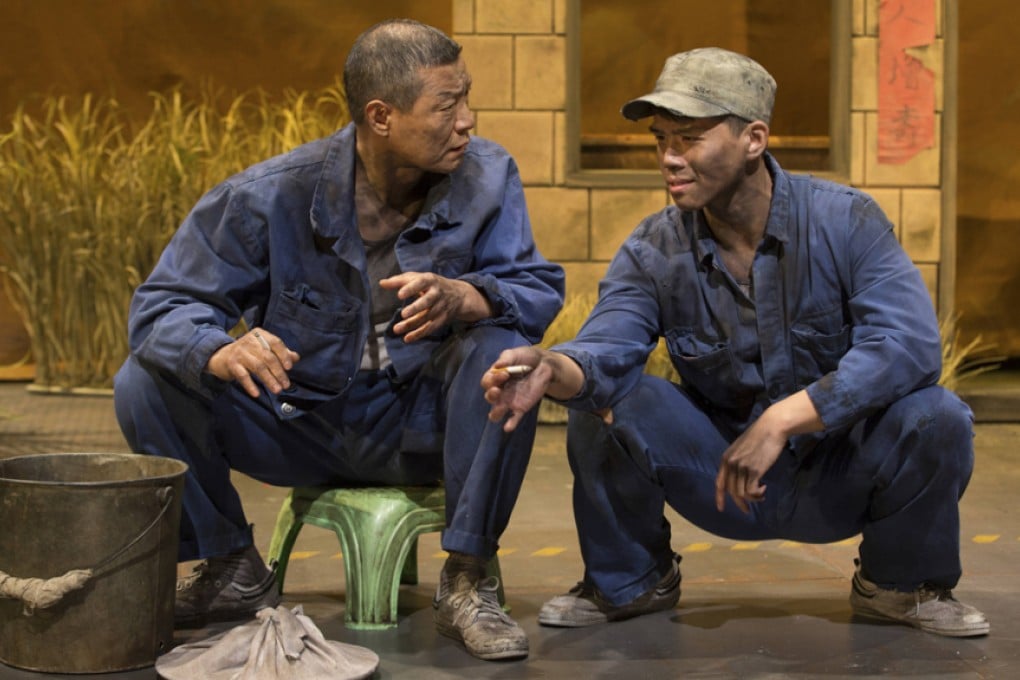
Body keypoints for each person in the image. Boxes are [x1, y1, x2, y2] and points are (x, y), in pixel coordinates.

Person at [481, 47, 989, 638]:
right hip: (723, 477)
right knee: (607, 401)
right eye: (661, 138)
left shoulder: (845, 222)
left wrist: (784, 418)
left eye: (690, 137)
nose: (670, 157)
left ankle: (901, 585)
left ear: (754, 138)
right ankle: (629, 580)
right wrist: (552, 366)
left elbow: (908, 344)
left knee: (938, 415)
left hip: (839, 470)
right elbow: (607, 346)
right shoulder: (654, 250)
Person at [113, 18, 564, 662]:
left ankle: (468, 579)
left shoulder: (489, 176)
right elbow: (163, 306)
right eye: (447, 104)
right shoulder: (273, 194)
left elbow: (537, 288)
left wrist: (467, 297)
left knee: (507, 357)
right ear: (381, 116)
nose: (467, 119)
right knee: (145, 380)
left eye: (467, 97)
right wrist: (219, 347)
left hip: (427, 426)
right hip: (302, 422)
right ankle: (230, 565)